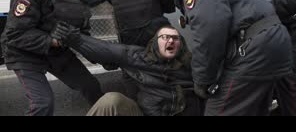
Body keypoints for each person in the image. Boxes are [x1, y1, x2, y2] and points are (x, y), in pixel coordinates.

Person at [158, 0, 292, 116]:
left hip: (254, 49)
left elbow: (209, 32)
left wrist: (202, 80)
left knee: (218, 111)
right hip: (275, 43)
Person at [0, 0, 104, 116]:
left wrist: (100, 55)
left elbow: (82, 34)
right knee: (43, 104)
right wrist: (53, 41)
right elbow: (15, 34)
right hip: (25, 53)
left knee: (92, 87)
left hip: (56, 53)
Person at [63, 25, 204, 116]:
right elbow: (105, 49)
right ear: (155, 42)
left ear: (181, 44)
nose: (171, 41)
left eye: (175, 38)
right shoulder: (139, 57)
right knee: (111, 100)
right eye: (165, 37)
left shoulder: (194, 65)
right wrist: (72, 38)